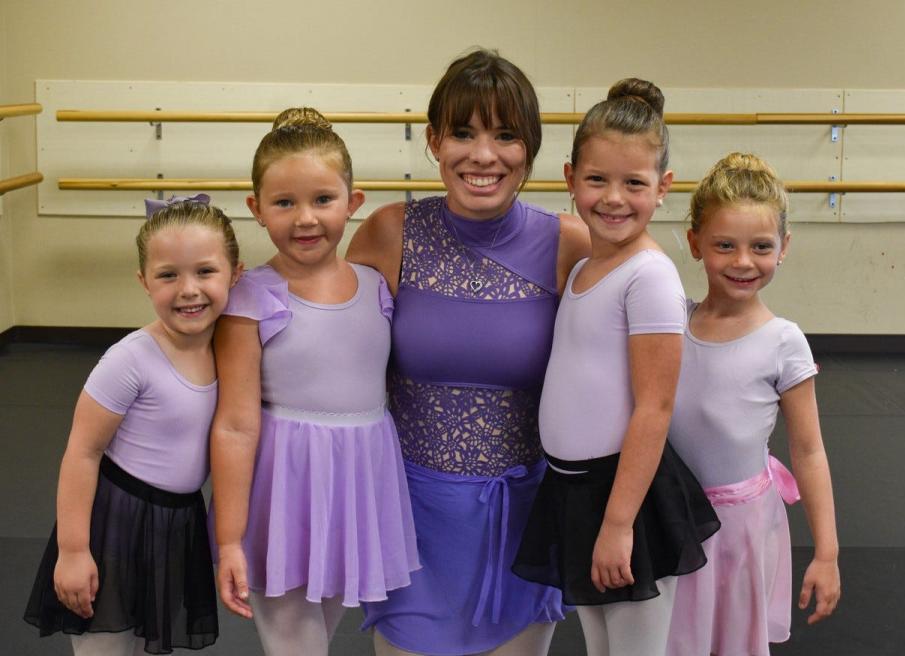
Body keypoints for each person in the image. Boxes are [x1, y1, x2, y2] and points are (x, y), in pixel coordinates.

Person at [348, 49, 591, 656]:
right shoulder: (389, 232)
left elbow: (648, 325)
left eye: (506, 135)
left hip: (523, 519)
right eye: (463, 132)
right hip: (410, 522)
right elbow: (325, 343)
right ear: (434, 140)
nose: (483, 155)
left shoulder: (569, 243)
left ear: (530, 148)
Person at [511, 79, 720, 656]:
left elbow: (654, 406)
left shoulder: (648, 276)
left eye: (634, 183)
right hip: (577, 490)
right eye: (597, 180)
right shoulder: (583, 270)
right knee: (601, 645)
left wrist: (619, 523)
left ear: (663, 188)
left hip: (627, 494)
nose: (613, 198)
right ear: (570, 177)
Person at [210, 107, 419, 656]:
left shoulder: (378, 286)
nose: (305, 218)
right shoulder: (249, 299)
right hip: (282, 490)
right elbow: (233, 424)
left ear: (353, 203)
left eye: (322, 200)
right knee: (294, 645)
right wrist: (229, 538)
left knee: (316, 637)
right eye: (284, 202)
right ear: (256, 209)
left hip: (357, 484)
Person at [23, 196, 242, 655]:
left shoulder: (231, 352)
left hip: (178, 520)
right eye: (168, 275)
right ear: (144, 282)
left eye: (205, 272)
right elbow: (82, 452)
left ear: (235, 274)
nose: (188, 290)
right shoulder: (130, 359)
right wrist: (74, 550)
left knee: (151, 642)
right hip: (115, 523)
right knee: (106, 644)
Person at [665, 152, 841, 655]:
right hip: (673, 519)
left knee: (734, 642)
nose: (743, 262)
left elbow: (809, 452)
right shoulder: (671, 321)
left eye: (760, 247)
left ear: (783, 247)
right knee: (673, 640)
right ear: (695, 242)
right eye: (725, 245)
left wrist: (826, 551)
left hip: (742, 527)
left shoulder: (784, 342)